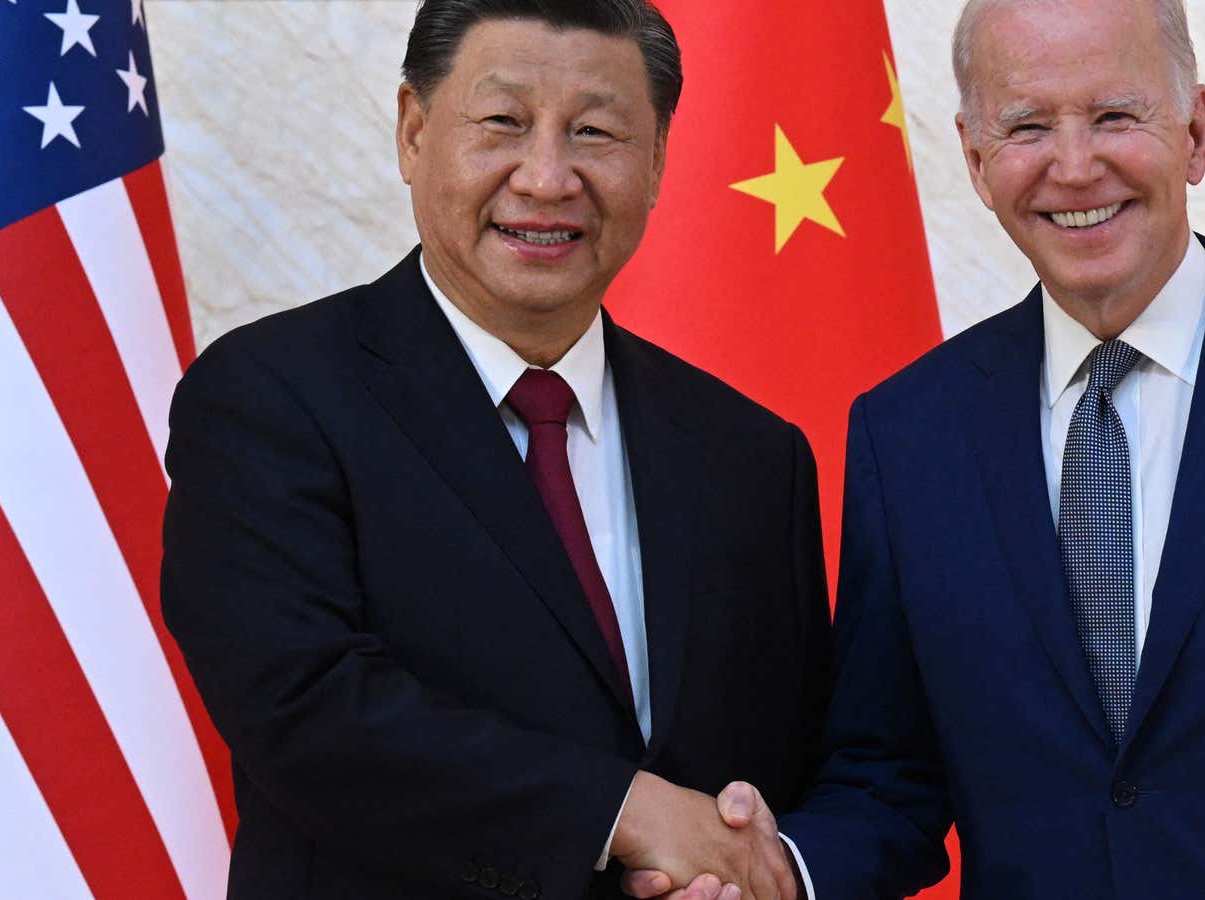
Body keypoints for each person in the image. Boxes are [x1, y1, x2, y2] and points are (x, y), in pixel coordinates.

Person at [630, 0, 1205, 896]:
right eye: (1028, 126)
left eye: (1116, 115)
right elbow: (891, 776)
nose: (1074, 167)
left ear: (1194, 133)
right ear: (975, 156)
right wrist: (782, 871)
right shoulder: (908, 431)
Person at [159, 2, 827, 898]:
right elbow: (306, 714)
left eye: (594, 132)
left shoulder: (751, 453)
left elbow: (802, 765)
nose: (547, 179)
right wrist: (621, 812)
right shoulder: (268, 398)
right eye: (502, 123)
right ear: (413, 132)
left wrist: (763, 868)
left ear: (660, 159)